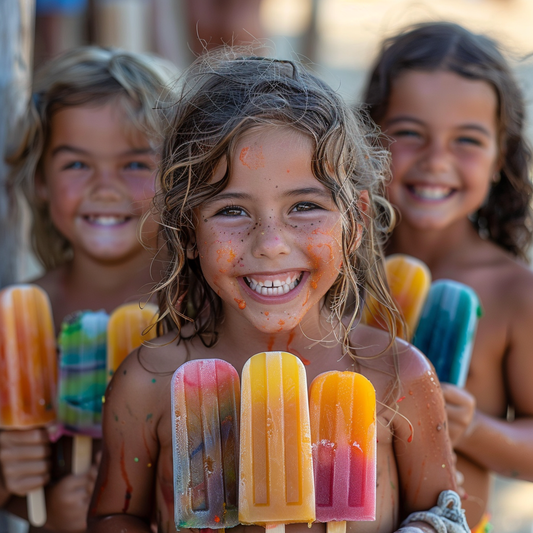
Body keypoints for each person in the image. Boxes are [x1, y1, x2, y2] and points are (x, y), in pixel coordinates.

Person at [87, 50, 468, 533]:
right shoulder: (150, 382)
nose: (269, 244)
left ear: (355, 224)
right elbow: (113, 515)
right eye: (231, 210)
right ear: (187, 232)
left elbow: (446, 517)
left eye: (305, 206)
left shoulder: (398, 377)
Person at [362, 21, 533, 531]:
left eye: (468, 140)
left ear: (501, 156)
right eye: (410, 133)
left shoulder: (512, 292)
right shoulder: (335, 269)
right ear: (367, 138)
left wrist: (470, 427)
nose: (437, 161)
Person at [1, 46, 178, 532]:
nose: (105, 187)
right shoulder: (20, 316)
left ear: (180, 177)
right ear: (40, 178)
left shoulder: (206, 308)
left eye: (135, 165)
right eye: (77, 165)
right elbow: (19, 496)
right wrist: (23, 488)